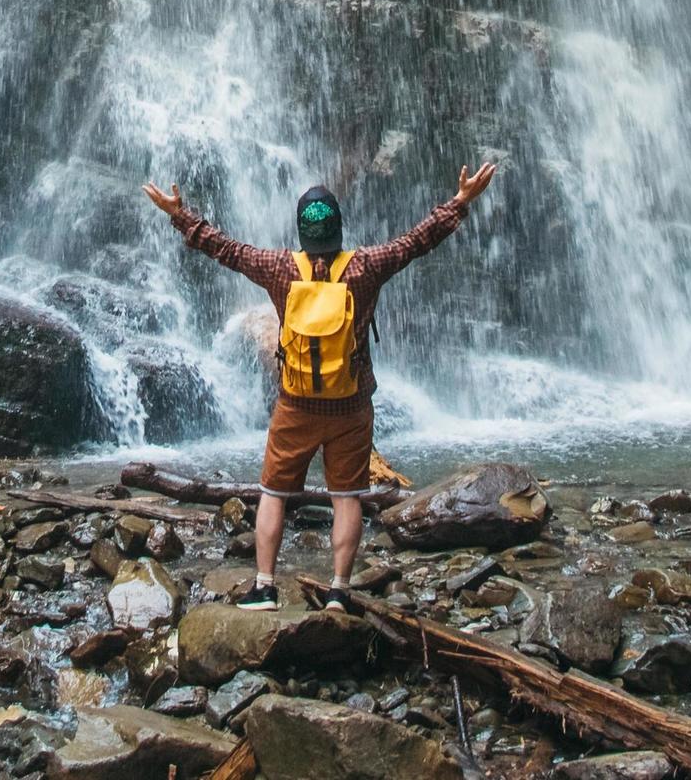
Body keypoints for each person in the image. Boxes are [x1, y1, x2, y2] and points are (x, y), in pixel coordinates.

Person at [143, 162, 498, 607]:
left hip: (295, 406)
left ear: (301, 232)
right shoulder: (366, 267)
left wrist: (179, 215)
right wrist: (461, 202)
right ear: (339, 228)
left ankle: (265, 585)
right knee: (347, 497)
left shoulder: (278, 268)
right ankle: (339, 590)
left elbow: (225, 249)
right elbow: (417, 241)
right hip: (349, 405)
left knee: (273, 494)